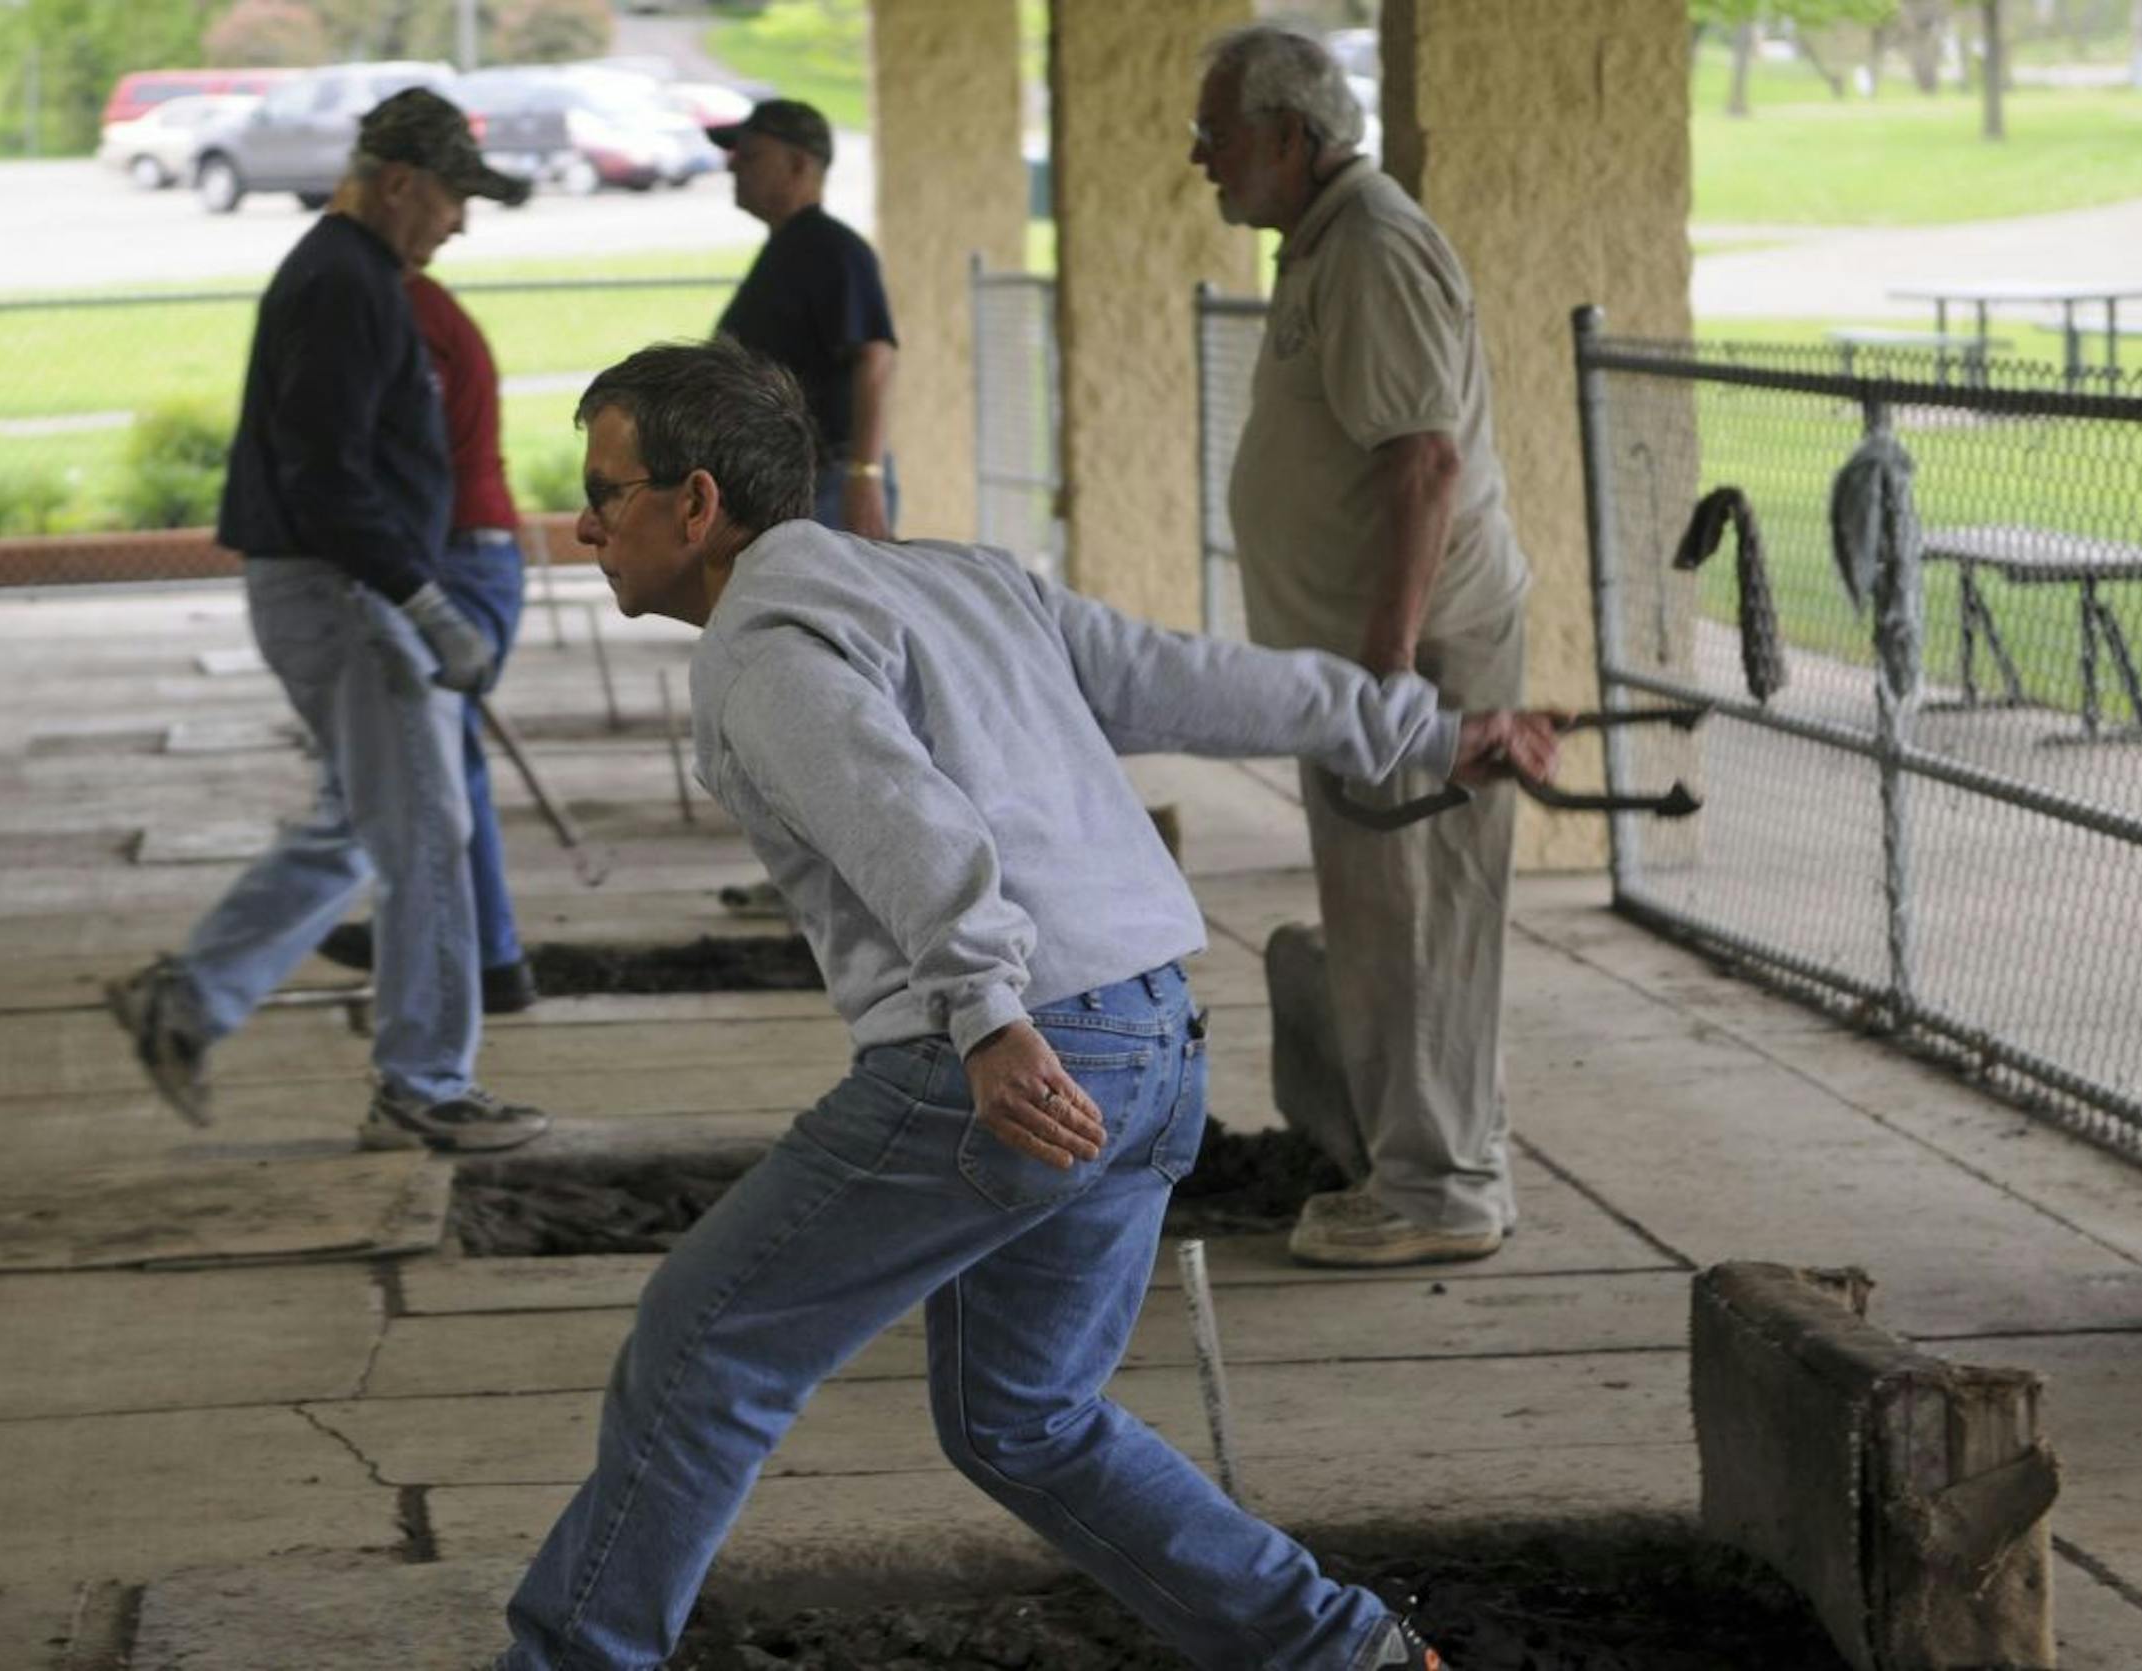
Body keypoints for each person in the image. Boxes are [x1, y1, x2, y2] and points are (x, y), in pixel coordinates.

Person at [492, 334, 1563, 1671]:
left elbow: (907, 822)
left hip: (1013, 1057)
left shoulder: (764, 647)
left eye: (609, 489)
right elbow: (1186, 674)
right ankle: (1349, 1654)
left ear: (698, 504)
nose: (586, 523)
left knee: (704, 1342)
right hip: (1153, 1039)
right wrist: (1415, 724)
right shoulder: (960, 580)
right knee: (1024, 1412)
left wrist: (989, 1017)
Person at [105, 89, 550, 1155]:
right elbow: (327, 473)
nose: (460, 223)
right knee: (431, 838)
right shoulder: (347, 284)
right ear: (399, 182)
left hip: (331, 587)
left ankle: (191, 998)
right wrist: (424, 598)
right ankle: (425, 1083)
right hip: (343, 591)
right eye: (452, 199)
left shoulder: (351, 276)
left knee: (361, 826)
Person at [1191, 25, 1535, 1269]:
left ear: (1292, 135)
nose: (1200, 159)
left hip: (1415, 655)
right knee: (1393, 920)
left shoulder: (1376, 246)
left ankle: (1436, 1193)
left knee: (1420, 916)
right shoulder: (1329, 241)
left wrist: (1386, 678)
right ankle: (1437, 1165)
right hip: (1365, 665)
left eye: (1217, 134)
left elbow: (1422, 464)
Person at [313, 250, 540, 1016]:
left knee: (439, 769)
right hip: (460, 554)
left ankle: (482, 956)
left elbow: (398, 459)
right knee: (439, 763)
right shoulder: (407, 308)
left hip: (457, 559)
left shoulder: (403, 316)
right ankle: (465, 944)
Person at [707, 98, 898, 538]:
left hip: (826, 482)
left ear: (798, 164)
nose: (734, 168)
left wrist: (864, 475)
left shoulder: (833, 251)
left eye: (750, 156)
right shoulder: (791, 247)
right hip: (792, 481)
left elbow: (875, 358)